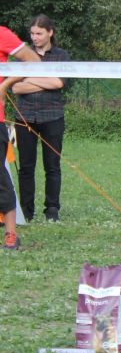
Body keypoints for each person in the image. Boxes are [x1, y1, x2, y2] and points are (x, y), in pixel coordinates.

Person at [12, 15, 70, 223]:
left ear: (50, 33)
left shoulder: (61, 56)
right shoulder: (22, 56)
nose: (34, 37)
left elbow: (59, 83)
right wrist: (45, 81)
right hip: (24, 116)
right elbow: (16, 86)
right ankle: (27, 211)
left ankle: (52, 209)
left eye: (39, 33)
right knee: (26, 167)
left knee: (52, 166)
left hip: (53, 116)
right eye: (32, 33)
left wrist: (31, 80)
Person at [0, 24, 42, 250]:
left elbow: (33, 61)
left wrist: (6, 84)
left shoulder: (2, 34)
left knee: (0, 178)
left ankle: (11, 235)